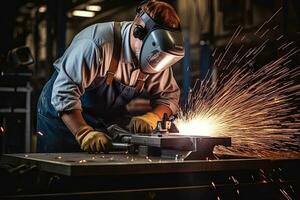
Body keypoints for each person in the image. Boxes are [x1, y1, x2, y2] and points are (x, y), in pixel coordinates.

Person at [36, 0, 184, 153]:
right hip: (61, 120)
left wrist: (153, 116)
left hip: (102, 121)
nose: (157, 61)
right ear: (137, 32)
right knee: (60, 169)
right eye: (155, 55)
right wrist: (83, 132)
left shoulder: (157, 55)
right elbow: (64, 93)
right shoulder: (96, 44)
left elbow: (168, 97)